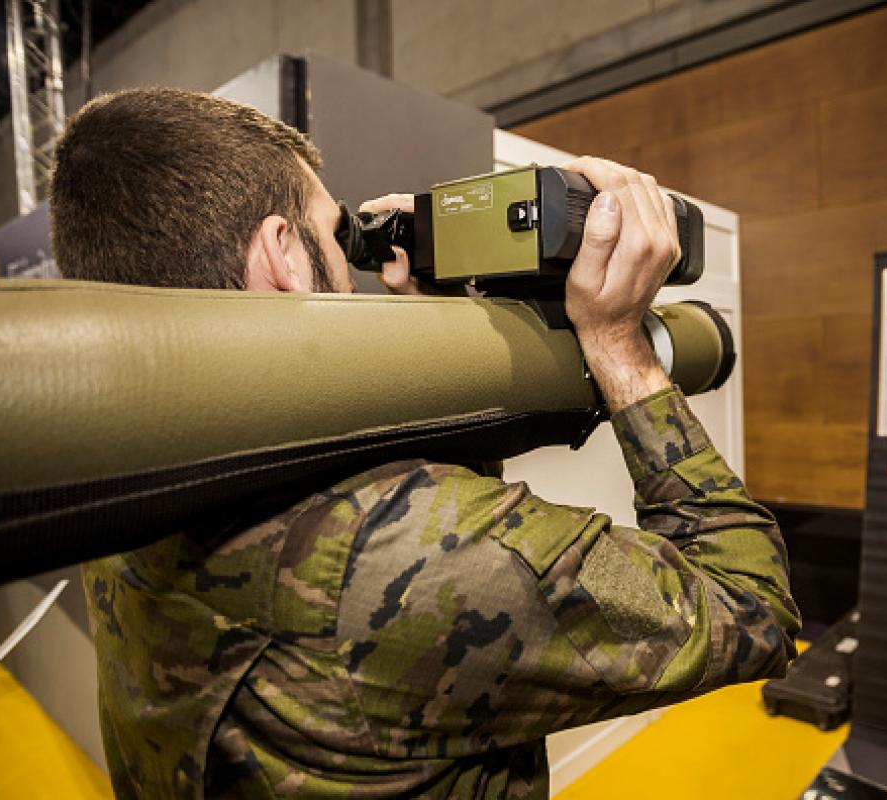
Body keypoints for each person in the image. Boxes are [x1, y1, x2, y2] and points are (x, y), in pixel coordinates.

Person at [50, 87, 800, 799]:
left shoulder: (110, 473)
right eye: (334, 233)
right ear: (281, 253)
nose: (347, 263)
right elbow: (748, 606)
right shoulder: (433, 556)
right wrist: (622, 353)